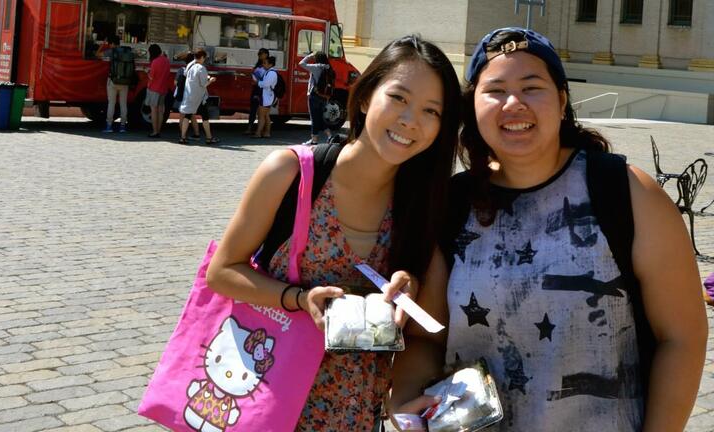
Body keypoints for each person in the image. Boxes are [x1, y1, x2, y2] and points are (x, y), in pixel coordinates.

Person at [388, 27, 708, 431]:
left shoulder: (625, 192)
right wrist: (407, 404)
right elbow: (427, 338)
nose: (514, 103)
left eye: (531, 87)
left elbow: (682, 336)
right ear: (472, 109)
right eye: (496, 90)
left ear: (561, 100)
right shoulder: (453, 205)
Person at [206, 34, 461, 431]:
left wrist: (408, 290)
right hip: (264, 406)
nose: (411, 120)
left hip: (354, 418)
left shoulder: (421, 210)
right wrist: (298, 298)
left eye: (432, 111)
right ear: (363, 97)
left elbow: (430, 336)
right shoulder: (292, 173)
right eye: (398, 98)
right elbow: (221, 272)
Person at [178, 48, 219, 145]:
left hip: (189, 95)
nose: (204, 59)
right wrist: (211, 80)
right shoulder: (201, 68)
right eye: (204, 58)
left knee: (187, 115)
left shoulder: (190, 66)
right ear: (202, 57)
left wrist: (206, 77)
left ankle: (183, 137)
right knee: (205, 116)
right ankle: (209, 138)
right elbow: (204, 84)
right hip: (199, 97)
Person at [298, 51, 331, 145]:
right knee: (320, 117)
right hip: (324, 96)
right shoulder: (329, 67)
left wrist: (310, 56)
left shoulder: (316, 67)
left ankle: (314, 140)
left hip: (314, 95)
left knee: (314, 118)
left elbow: (301, 63)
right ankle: (329, 136)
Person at [102, 34, 133, 133]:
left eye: (109, 44)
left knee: (111, 103)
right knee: (123, 104)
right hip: (125, 81)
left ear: (112, 43)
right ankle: (123, 126)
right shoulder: (127, 51)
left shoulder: (111, 51)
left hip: (113, 81)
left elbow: (97, 54)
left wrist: (102, 44)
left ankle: (109, 126)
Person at [146, 44, 172, 138]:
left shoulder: (155, 62)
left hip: (154, 89)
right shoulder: (167, 61)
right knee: (161, 111)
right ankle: (159, 130)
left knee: (153, 110)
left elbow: (151, 77)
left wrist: (147, 72)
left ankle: (155, 131)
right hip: (163, 89)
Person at [246, 48, 270, 135]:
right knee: (253, 109)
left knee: (263, 112)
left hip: (263, 90)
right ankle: (250, 128)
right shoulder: (258, 65)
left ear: (266, 54)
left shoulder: (268, 65)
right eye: (259, 54)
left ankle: (263, 131)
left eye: (261, 54)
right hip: (256, 88)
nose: (260, 55)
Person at [253, 56, 278, 139]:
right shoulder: (271, 72)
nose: (263, 65)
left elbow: (266, 84)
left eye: (265, 63)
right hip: (268, 96)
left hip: (266, 96)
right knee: (266, 115)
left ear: (270, 64)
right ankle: (266, 133)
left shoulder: (271, 73)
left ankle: (258, 133)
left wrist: (257, 82)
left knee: (261, 115)